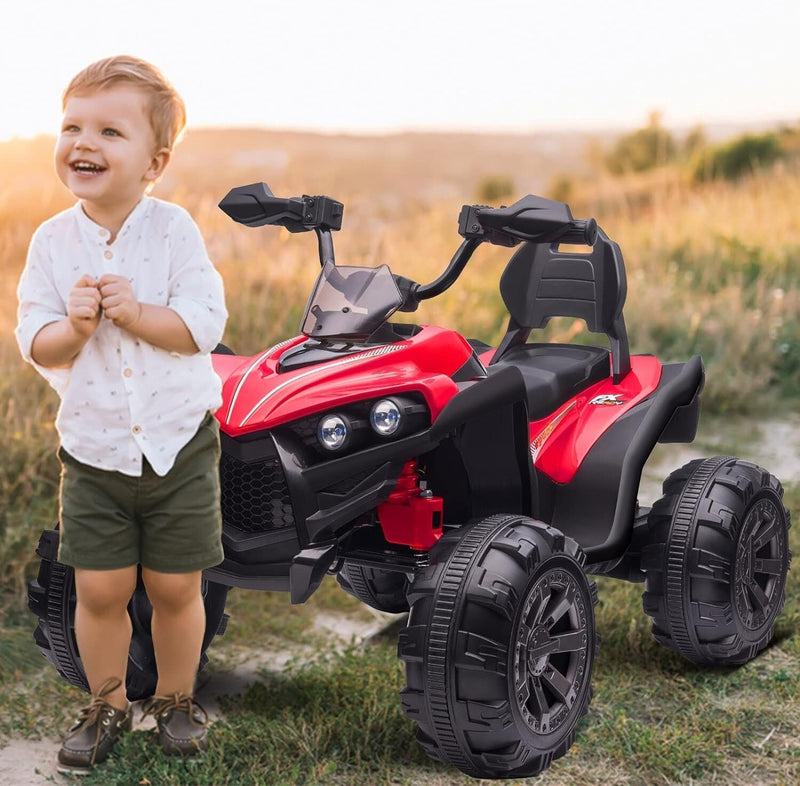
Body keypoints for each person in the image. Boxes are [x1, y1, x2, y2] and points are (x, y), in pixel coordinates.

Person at [15, 55, 228, 775]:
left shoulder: (173, 233)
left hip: (179, 445)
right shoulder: (51, 242)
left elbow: (203, 323)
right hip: (96, 448)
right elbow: (34, 341)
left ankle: (174, 698)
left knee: (176, 586)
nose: (85, 142)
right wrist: (72, 331)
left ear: (153, 162)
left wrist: (136, 313)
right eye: (73, 125)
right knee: (100, 588)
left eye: (110, 130)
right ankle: (106, 703)